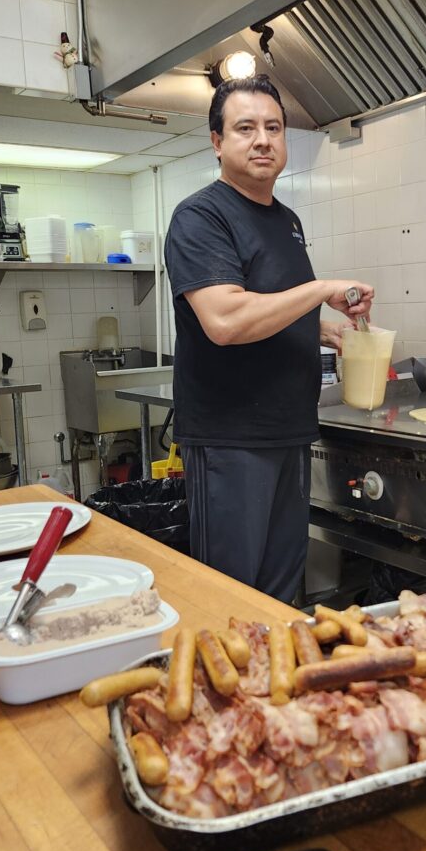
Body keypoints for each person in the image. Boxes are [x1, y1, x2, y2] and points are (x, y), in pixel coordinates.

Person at [164, 74, 374, 603]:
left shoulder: (287, 220)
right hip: (231, 439)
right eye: (245, 128)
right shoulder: (201, 216)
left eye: (273, 127)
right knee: (232, 598)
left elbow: (268, 305)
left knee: (282, 595)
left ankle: (275, 686)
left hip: (289, 431)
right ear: (217, 142)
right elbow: (227, 320)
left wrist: (324, 331)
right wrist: (322, 289)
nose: (263, 139)